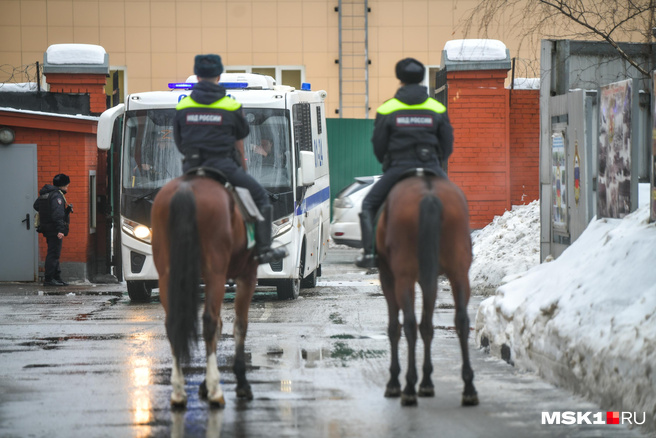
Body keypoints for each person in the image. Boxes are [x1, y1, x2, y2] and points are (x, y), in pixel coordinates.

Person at [173, 54, 287, 264]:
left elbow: (179, 142)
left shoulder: (182, 105)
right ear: (218, 76)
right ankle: (263, 250)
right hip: (223, 166)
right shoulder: (231, 105)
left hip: (191, 167)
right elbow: (242, 134)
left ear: (197, 76)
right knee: (261, 197)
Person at [355, 58, 454, 268]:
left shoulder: (387, 109)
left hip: (399, 168)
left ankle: (369, 253)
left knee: (369, 204)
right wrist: (437, 161)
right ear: (421, 79)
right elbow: (447, 146)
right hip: (432, 168)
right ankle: (454, 250)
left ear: (400, 79)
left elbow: (379, 146)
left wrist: (388, 163)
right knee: (457, 202)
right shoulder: (437, 107)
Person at [34, 173, 73, 286]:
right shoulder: (57, 196)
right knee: (53, 254)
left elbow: (36, 206)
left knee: (54, 252)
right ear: (63, 185)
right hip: (54, 228)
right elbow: (57, 214)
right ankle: (49, 279)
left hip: (47, 227)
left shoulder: (46, 193)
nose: (67, 188)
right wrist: (60, 229)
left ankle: (57, 277)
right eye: (67, 185)